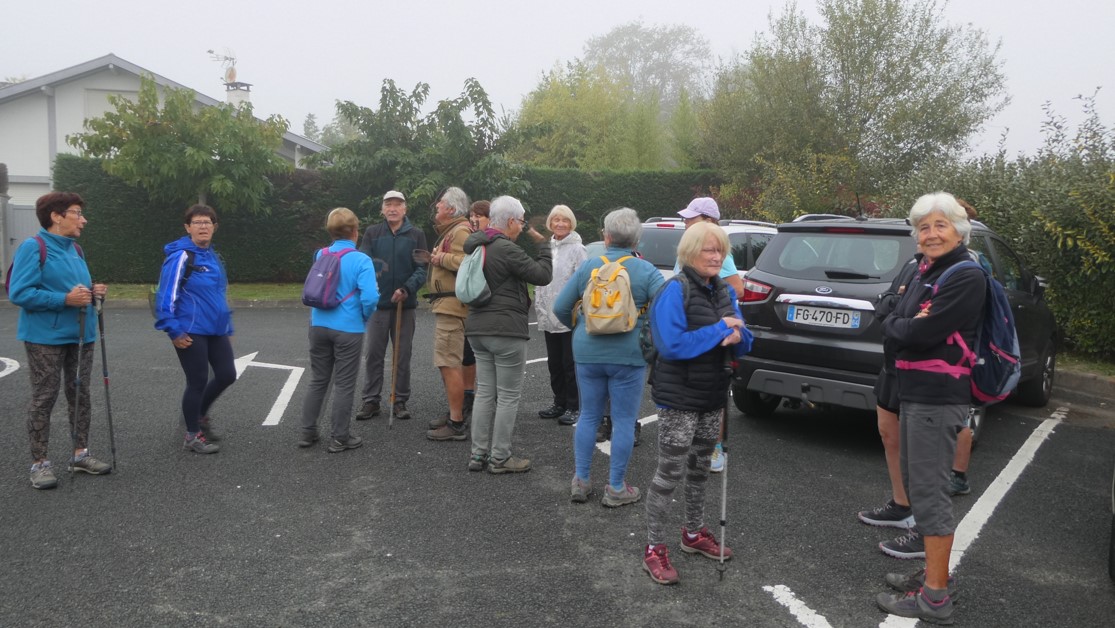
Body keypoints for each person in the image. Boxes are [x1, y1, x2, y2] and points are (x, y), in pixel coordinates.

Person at [874, 192, 985, 624]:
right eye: (924, 227)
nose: (931, 233)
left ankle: (935, 596)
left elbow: (917, 331)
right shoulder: (926, 270)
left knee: (930, 492)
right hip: (916, 389)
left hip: (939, 395)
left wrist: (902, 325)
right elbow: (895, 316)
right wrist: (903, 324)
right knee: (919, 485)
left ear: (959, 230)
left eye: (941, 225)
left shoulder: (965, 275)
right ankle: (933, 575)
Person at [641, 222, 752, 585]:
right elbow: (672, 346)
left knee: (701, 467)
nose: (716, 256)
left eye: (720, 250)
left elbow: (745, 337)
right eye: (708, 250)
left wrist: (737, 334)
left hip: (713, 394)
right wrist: (721, 329)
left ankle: (692, 533)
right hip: (679, 397)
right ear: (690, 252)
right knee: (670, 472)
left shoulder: (723, 290)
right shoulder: (675, 290)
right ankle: (654, 549)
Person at [554, 208, 664, 506]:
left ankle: (581, 479)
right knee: (625, 420)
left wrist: (581, 328)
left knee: (589, 414)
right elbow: (667, 307)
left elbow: (560, 308)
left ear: (606, 236)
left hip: (587, 351)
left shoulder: (590, 265)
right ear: (636, 240)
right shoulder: (646, 270)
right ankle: (616, 487)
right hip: (628, 355)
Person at [9, 192, 110, 489]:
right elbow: (19, 292)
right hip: (45, 338)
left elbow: (76, 288)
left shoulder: (75, 249)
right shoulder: (33, 247)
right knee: (45, 397)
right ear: (56, 216)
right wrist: (63, 299)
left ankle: (80, 455)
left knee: (80, 394)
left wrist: (93, 291)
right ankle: (39, 464)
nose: (83, 219)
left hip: (82, 334)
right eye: (77, 213)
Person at [462, 196, 553, 473]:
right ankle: (500, 457)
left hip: (477, 327)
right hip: (505, 330)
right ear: (511, 221)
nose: (521, 227)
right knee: (508, 396)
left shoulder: (477, 244)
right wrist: (545, 246)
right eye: (521, 222)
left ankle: (478, 455)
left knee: (484, 393)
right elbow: (542, 274)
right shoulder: (506, 249)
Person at [154, 204, 237, 454]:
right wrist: (173, 331)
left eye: (208, 222)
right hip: (190, 329)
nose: (203, 226)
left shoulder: (212, 256)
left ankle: (197, 415)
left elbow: (218, 295)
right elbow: (165, 296)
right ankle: (192, 435)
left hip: (216, 329)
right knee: (198, 380)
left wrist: (227, 326)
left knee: (226, 374)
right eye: (198, 222)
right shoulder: (181, 256)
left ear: (214, 227)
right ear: (188, 227)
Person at [298, 208, 380, 451]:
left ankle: (307, 431)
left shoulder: (320, 254)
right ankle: (340, 437)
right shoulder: (361, 260)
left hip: (319, 323)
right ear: (355, 232)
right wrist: (363, 318)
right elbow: (371, 297)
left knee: (318, 379)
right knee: (344, 383)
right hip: (348, 328)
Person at [674, 197, 743, 473]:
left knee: (712, 390)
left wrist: (706, 293)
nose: (685, 222)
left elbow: (736, 287)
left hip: (710, 330)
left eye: (692, 217)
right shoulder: (691, 247)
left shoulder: (715, 248)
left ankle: (714, 449)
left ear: (709, 221)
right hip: (691, 328)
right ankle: (695, 444)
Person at [355, 190, 427, 422]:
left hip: (404, 305)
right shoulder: (372, 233)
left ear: (405, 209)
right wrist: (371, 289)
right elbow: (363, 264)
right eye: (388, 204)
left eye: (398, 204)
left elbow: (422, 269)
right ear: (382, 209)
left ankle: (400, 399)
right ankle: (371, 400)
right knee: (374, 353)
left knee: (402, 354)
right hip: (378, 304)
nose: (393, 208)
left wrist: (406, 289)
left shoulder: (417, 234)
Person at [528, 205, 587, 426]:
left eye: (565, 220)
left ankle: (574, 405)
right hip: (547, 314)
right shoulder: (548, 246)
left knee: (569, 363)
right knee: (554, 362)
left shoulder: (578, 249)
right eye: (556, 220)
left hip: (569, 315)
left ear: (571, 224)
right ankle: (559, 402)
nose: (560, 224)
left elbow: (583, 282)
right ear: (550, 223)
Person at [424, 186, 474, 441]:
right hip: (449, 306)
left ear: (451, 209)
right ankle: (455, 414)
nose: (437, 207)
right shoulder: (454, 230)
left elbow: (470, 263)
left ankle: (456, 423)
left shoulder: (460, 231)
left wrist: (440, 259)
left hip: (453, 308)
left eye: (440, 204)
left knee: (449, 363)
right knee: (449, 363)